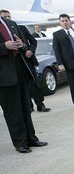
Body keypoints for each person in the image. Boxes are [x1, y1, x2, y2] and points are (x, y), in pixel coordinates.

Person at [0, 14, 48, 153]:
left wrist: (22, 45)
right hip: (3, 75)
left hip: (20, 68)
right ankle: (20, 143)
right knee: (13, 111)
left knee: (25, 106)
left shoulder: (11, 23)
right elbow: (5, 45)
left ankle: (31, 138)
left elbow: (25, 43)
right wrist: (4, 46)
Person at [0, 10, 50, 113]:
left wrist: (29, 50)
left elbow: (32, 41)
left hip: (28, 62)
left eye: (9, 16)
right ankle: (29, 106)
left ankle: (40, 104)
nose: (8, 18)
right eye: (5, 17)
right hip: (15, 65)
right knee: (23, 89)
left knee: (34, 84)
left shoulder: (20, 28)